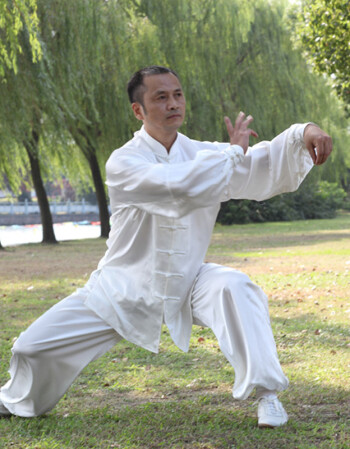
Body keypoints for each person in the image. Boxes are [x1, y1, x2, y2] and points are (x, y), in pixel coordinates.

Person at [0, 65, 332, 427]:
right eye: (161, 97)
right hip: (122, 285)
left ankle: (268, 394)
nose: (173, 103)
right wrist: (233, 155)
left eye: (177, 94)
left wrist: (304, 132)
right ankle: (17, 400)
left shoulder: (209, 154)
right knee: (30, 348)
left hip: (189, 280)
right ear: (138, 110)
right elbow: (179, 188)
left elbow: (263, 163)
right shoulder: (124, 162)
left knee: (236, 287)